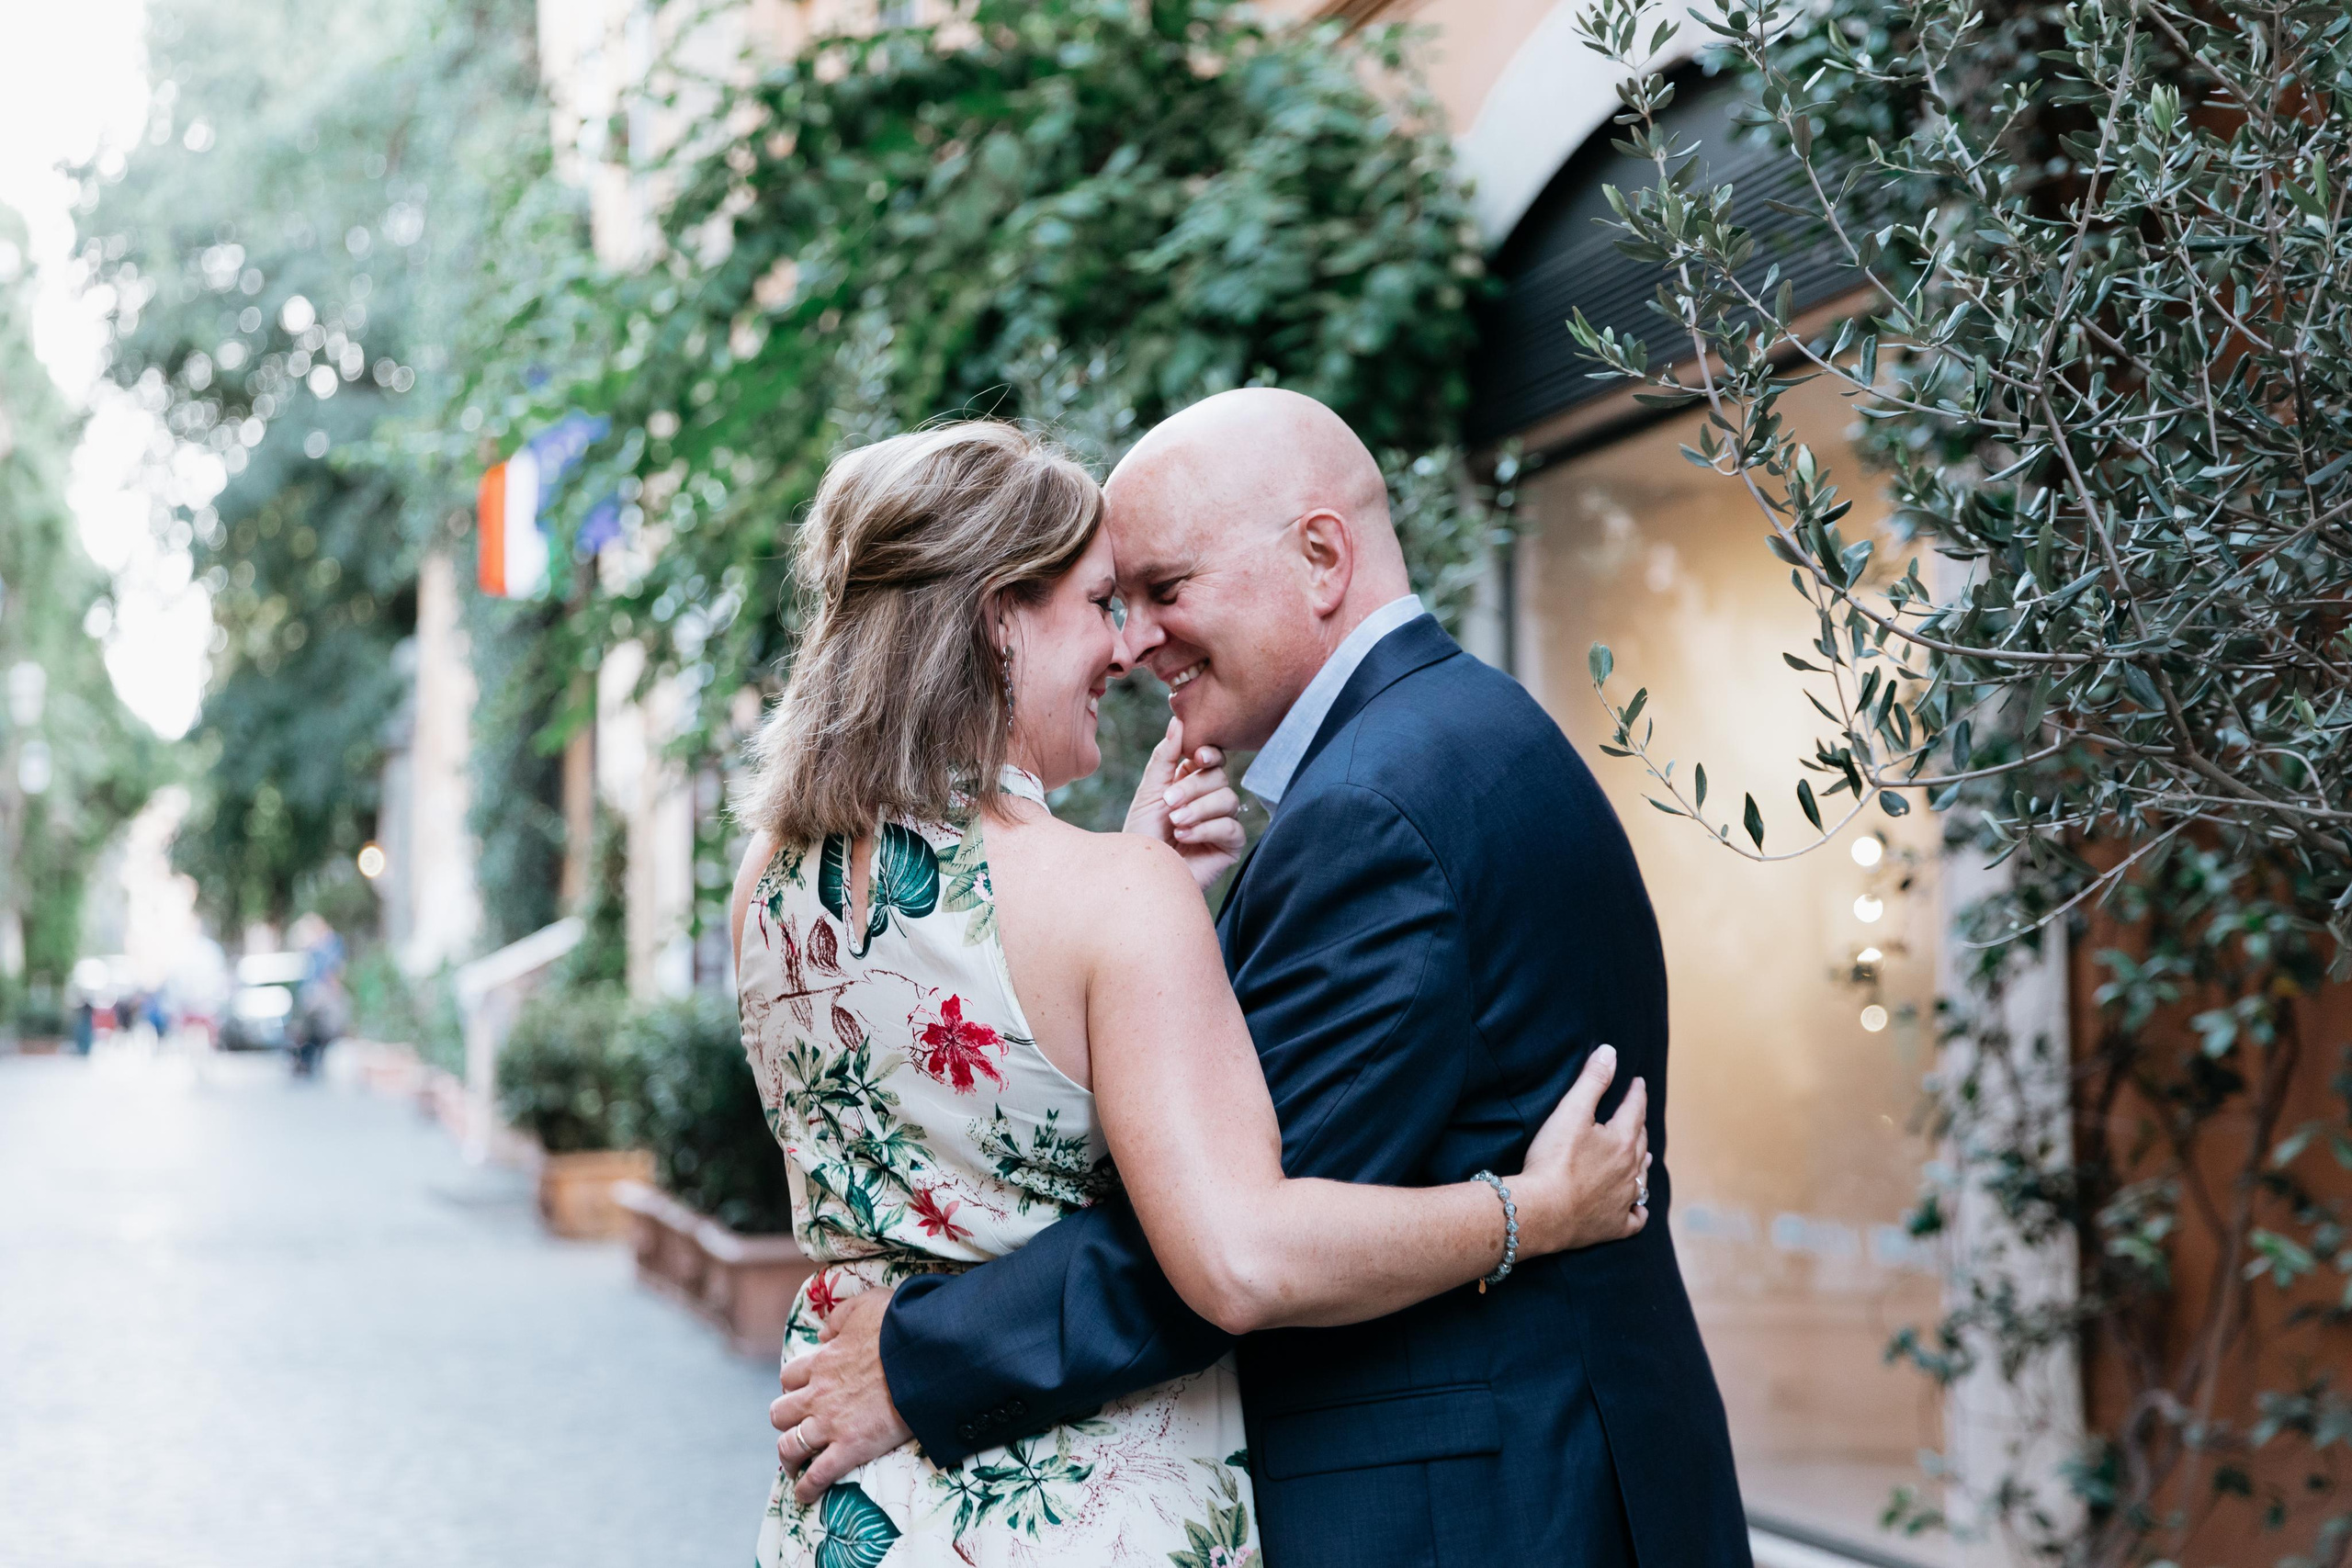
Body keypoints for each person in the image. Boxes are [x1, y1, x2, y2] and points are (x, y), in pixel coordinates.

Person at [770, 392, 1753, 1565]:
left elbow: (1229, 1236)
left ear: (1321, 556)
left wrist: (918, 1359)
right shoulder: (1458, 734)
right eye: (1112, 604)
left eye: (1162, 590)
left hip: (1481, 1505)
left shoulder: (1373, 810)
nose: (1134, 644)